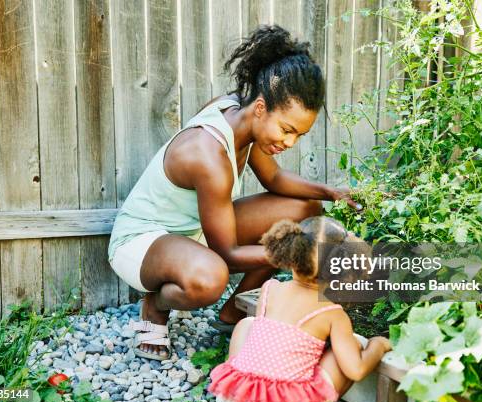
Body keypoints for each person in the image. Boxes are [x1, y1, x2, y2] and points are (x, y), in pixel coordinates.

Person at [107, 24, 362, 360]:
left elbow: (275, 180)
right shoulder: (208, 156)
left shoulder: (241, 115)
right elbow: (226, 253)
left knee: (303, 210)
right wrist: (301, 255)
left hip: (195, 230)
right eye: (287, 130)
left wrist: (331, 192)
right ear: (260, 108)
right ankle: (155, 307)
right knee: (210, 276)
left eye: (298, 136)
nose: (289, 142)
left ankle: (234, 315)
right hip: (143, 240)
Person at [209, 217, 392, 402]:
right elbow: (356, 370)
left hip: (240, 398)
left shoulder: (269, 288)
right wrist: (378, 344)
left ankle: (237, 377)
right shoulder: (332, 313)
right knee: (351, 344)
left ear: (290, 254)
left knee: (247, 323)